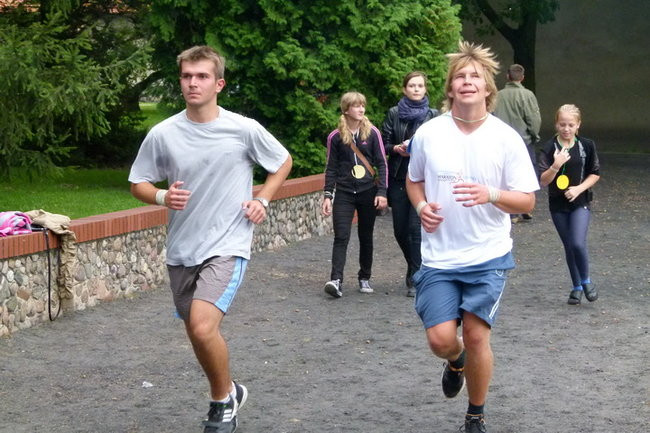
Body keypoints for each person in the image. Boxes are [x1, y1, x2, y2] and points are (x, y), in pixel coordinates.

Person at [128, 45, 292, 433]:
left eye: (201, 76)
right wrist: (163, 196)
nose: (193, 83)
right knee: (198, 333)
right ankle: (230, 390)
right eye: (186, 76)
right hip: (182, 249)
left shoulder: (243, 129)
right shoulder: (164, 133)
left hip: (228, 244)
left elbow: (282, 161)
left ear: (218, 84)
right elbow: (138, 182)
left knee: (203, 327)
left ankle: (221, 403)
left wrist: (262, 199)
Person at [406, 41, 539, 433]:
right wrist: (420, 206)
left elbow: (527, 200)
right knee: (440, 339)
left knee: (478, 336)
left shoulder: (506, 138)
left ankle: (475, 415)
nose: (467, 81)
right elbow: (413, 181)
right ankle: (455, 359)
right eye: (460, 76)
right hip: (439, 256)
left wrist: (491, 194)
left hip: (488, 255)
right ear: (450, 88)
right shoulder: (429, 134)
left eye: (475, 77)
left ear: (487, 88)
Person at [322, 92, 388, 298]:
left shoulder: (373, 133)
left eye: (362, 105)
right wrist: (327, 195)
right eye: (356, 106)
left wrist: (382, 192)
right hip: (344, 192)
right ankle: (336, 280)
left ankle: (364, 277)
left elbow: (382, 163)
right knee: (341, 236)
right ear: (346, 109)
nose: (361, 109)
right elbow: (331, 167)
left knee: (365, 236)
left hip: (368, 191)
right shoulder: (335, 136)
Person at [381, 71, 439, 297]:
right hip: (399, 175)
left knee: (416, 230)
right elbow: (383, 144)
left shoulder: (433, 115)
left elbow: (440, 145)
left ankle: (416, 277)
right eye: (412, 86)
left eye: (420, 86)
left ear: (425, 89)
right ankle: (413, 264)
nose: (416, 89)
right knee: (400, 230)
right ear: (405, 89)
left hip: (423, 179)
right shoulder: (394, 113)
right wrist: (396, 148)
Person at [538, 104, 600, 305]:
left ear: (578, 125)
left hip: (580, 201)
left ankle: (586, 281)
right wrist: (556, 165)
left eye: (570, 125)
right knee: (568, 246)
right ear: (556, 124)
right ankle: (576, 287)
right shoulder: (549, 148)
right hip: (558, 205)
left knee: (577, 242)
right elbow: (543, 180)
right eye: (562, 124)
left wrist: (579, 189)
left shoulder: (586, 146)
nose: (566, 129)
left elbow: (594, 173)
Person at [493, 64, 541, 223]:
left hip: (500, 141)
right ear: (522, 78)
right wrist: (534, 135)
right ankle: (525, 207)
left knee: (504, 174)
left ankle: (512, 212)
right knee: (527, 173)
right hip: (524, 140)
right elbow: (534, 119)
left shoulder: (497, 96)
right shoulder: (527, 95)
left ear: (508, 76)